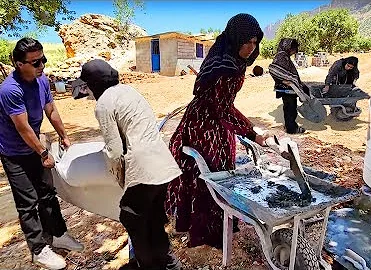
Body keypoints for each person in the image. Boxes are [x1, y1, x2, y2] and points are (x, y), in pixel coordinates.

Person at [165, 13, 267, 249]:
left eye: (255, 42)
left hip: (209, 120)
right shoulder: (226, 68)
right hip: (205, 127)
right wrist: (253, 133)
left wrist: (248, 127)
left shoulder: (227, 58)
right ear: (234, 39)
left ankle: (214, 223)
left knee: (211, 174)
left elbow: (223, 105)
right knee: (211, 175)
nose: (251, 48)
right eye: (246, 41)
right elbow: (223, 108)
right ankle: (208, 231)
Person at [72, 59, 183, 270]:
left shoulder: (103, 104)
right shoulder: (128, 91)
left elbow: (113, 151)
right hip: (164, 165)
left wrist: (119, 178)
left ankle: (147, 265)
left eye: (87, 86)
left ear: (93, 84)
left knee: (132, 218)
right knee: (152, 219)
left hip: (144, 170)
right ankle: (169, 263)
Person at [0, 38, 83, 270]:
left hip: (36, 145)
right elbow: (23, 128)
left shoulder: (42, 80)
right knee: (27, 202)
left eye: (43, 59)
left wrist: (64, 135)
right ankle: (38, 250)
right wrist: (43, 152)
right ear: (18, 63)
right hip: (15, 153)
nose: (42, 66)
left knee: (47, 193)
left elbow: (51, 110)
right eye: (35, 62)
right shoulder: (10, 90)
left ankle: (57, 234)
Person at [268, 38, 310, 134]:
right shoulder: (282, 57)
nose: (293, 52)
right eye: (293, 49)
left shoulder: (284, 56)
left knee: (288, 108)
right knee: (290, 109)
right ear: (288, 47)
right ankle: (292, 129)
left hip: (289, 88)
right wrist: (285, 79)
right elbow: (273, 69)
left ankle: (289, 126)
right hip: (287, 88)